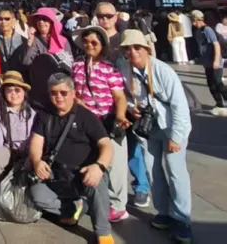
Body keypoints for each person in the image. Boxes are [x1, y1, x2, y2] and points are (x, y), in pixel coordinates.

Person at [118, 30, 192, 244]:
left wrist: (176, 137)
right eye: (128, 49)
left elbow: (179, 105)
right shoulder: (125, 68)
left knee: (176, 172)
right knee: (152, 171)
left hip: (171, 126)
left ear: (146, 49)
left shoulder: (162, 70)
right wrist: (132, 108)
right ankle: (164, 212)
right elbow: (126, 95)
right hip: (148, 128)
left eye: (137, 47)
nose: (133, 52)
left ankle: (182, 219)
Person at [28, 73, 114, 244]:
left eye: (63, 92)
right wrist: (37, 161)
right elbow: (36, 142)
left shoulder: (86, 116)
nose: (58, 97)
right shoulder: (44, 115)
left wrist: (99, 166)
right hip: (57, 174)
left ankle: (103, 232)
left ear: (73, 93)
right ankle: (73, 209)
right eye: (54, 93)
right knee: (36, 194)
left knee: (98, 183)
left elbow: (106, 145)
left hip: (84, 173)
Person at [72, 26, 131, 221]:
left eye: (94, 42)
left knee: (115, 165)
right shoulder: (77, 65)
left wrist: (120, 115)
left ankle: (118, 205)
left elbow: (120, 97)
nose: (89, 45)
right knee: (90, 161)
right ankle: (95, 198)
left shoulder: (109, 69)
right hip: (84, 121)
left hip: (105, 121)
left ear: (102, 46)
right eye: (86, 42)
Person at [0, 71, 34, 198]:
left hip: (27, 152)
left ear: (24, 92)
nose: (13, 94)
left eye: (17, 90)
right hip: (8, 149)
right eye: (9, 90)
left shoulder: (32, 113)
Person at [21, 7, 74, 110]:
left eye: (45, 19)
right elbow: (26, 62)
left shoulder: (63, 41)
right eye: (38, 19)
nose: (41, 22)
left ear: (52, 22)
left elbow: (70, 65)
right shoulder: (35, 41)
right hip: (41, 89)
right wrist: (30, 42)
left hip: (60, 87)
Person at [190, 9, 227, 115]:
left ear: (197, 19)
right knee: (211, 84)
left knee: (218, 83)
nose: (192, 22)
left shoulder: (207, 30)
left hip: (215, 61)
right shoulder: (197, 31)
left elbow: (216, 45)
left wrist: (216, 60)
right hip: (207, 62)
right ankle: (219, 104)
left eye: (193, 20)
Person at [0, 6, 25, 73]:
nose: (3, 22)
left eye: (7, 19)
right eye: (0, 19)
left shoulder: (23, 40)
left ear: (14, 20)